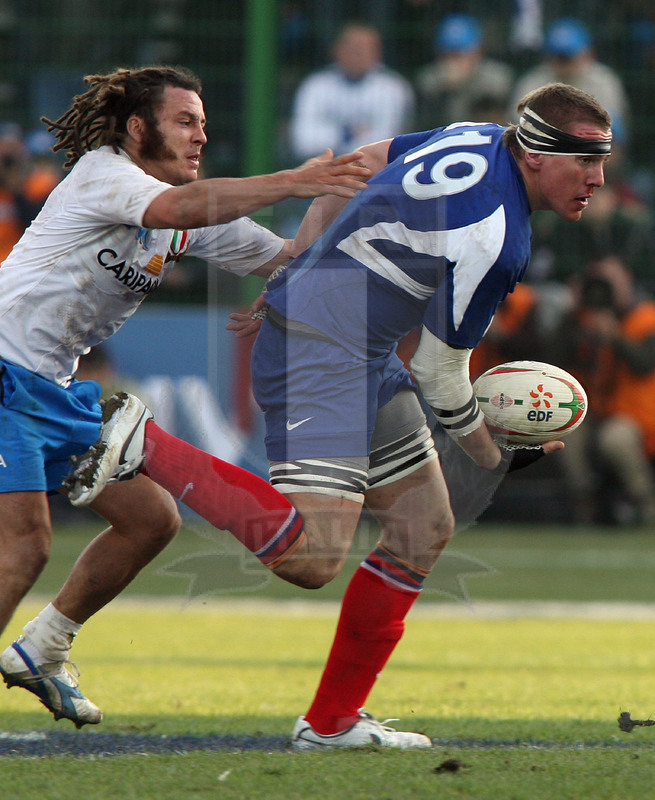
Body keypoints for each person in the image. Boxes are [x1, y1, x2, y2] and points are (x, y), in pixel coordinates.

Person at [63, 82, 612, 749]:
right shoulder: (495, 234)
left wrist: (303, 254)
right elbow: (441, 374)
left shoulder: (476, 132)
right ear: (532, 155)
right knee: (313, 558)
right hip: (322, 347)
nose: (597, 178)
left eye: (601, 161)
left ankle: (330, 725)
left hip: (351, 338)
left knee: (421, 527)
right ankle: (142, 446)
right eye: (582, 161)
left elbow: (364, 162)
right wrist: (499, 456)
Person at [0, 65, 370, 728]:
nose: (201, 136)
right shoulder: (103, 172)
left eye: (203, 123)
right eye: (184, 122)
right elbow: (172, 209)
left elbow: (289, 259)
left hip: (49, 391)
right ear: (138, 128)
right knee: (25, 545)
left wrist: (332, 195)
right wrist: (291, 180)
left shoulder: (189, 216)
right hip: (3, 372)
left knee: (152, 520)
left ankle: (43, 647)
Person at [550, 253, 655, 524]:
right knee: (565, 434)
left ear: (626, 281)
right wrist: (575, 312)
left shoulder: (646, 317)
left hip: (634, 414)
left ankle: (645, 502)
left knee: (616, 439)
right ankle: (585, 504)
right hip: (590, 410)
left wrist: (615, 336)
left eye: (611, 280)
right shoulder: (580, 319)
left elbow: (644, 364)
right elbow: (553, 362)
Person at [288, 22, 415, 162]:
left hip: (377, 173)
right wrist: (346, 134)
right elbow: (303, 142)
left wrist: (332, 138)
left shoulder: (392, 88)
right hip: (320, 169)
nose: (357, 54)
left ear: (378, 53)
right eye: (351, 48)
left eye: (363, 49)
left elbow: (388, 144)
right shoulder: (316, 85)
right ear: (336, 50)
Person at [508, 18, 630, 147]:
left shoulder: (604, 80)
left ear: (587, 53)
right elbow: (518, 126)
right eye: (558, 57)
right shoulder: (532, 81)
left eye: (568, 57)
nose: (563, 63)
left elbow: (612, 126)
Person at [415, 14, 514, 129]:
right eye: (449, 53)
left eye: (460, 53)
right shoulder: (430, 79)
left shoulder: (497, 76)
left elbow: (498, 117)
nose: (454, 60)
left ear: (478, 51)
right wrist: (446, 89)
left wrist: (465, 84)